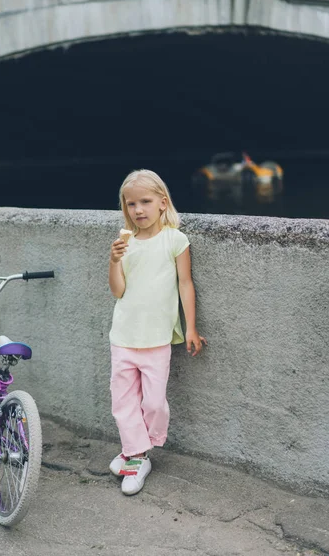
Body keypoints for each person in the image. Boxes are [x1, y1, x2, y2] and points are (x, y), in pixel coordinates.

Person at [108, 169, 207, 496]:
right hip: (123, 335)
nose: (138, 210)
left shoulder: (174, 240)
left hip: (157, 339)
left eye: (146, 202)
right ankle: (137, 457)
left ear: (163, 203)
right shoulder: (125, 242)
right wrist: (113, 261)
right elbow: (118, 291)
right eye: (131, 204)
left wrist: (191, 326)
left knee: (153, 402)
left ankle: (137, 446)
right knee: (123, 402)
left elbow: (185, 284)